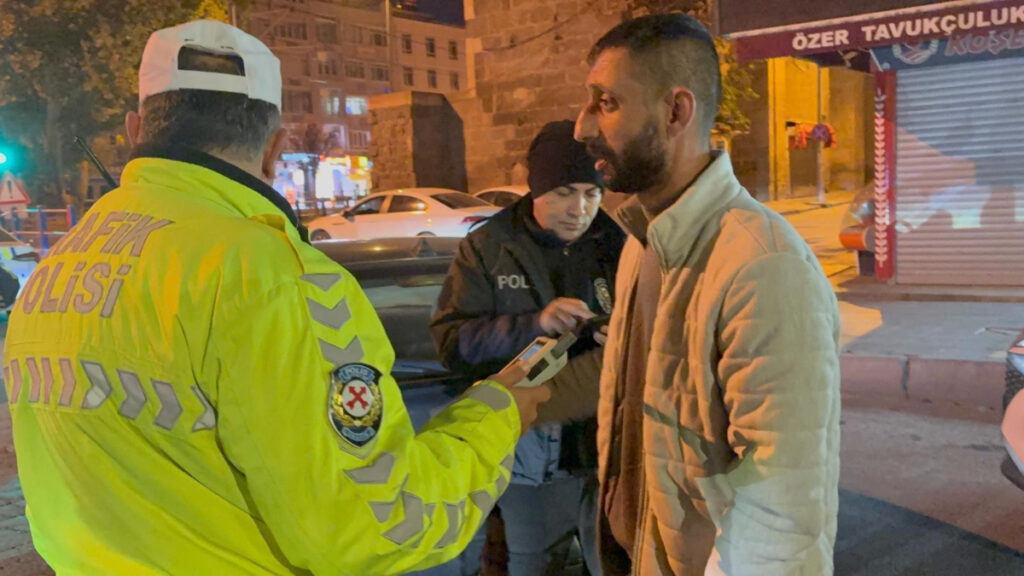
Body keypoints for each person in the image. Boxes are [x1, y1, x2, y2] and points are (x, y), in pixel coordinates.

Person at [4, 20, 550, 575]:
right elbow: (375, 529)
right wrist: (497, 415)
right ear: (276, 149)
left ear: (134, 128)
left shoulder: (60, 262)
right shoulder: (268, 275)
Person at [574, 14, 842, 576]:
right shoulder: (640, 242)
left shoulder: (763, 262)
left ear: (676, 111)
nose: (581, 127)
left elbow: (783, 509)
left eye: (606, 103)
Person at [431, 120, 625, 576]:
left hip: (608, 451)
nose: (580, 209)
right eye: (564, 192)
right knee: (537, 565)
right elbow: (453, 342)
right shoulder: (489, 247)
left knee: (616, 564)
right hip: (530, 454)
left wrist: (622, 332)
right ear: (535, 188)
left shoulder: (616, 243)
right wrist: (534, 324)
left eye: (592, 193)